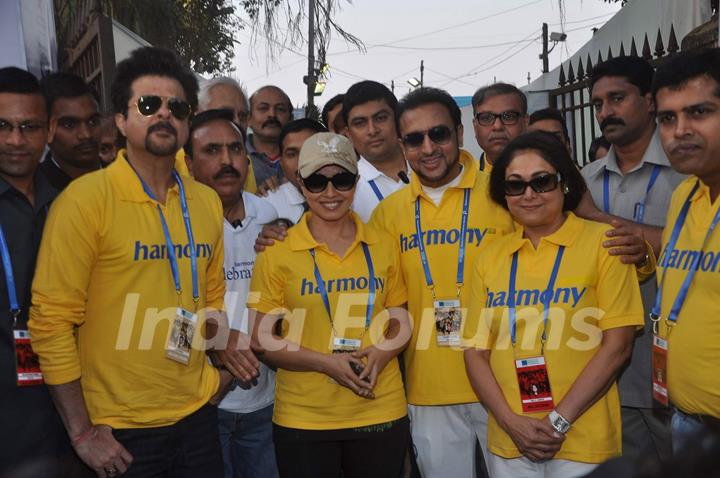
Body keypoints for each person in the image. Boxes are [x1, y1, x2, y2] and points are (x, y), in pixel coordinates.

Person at [29, 46, 259, 478]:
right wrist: (81, 433)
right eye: (149, 105)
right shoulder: (84, 202)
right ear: (120, 119)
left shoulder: (205, 202)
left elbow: (209, 300)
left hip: (197, 419)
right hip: (119, 432)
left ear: (189, 122)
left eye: (177, 107)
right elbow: (51, 322)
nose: (165, 115)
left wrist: (222, 344)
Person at [464, 131, 643, 477]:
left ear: (564, 184)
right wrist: (509, 422)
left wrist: (557, 422)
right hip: (511, 439)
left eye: (541, 181)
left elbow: (618, 347)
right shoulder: (488, 257)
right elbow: (474, 351)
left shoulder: (605, 245)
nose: (529, 194)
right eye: (515, 185)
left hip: (583, 439)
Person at [369, 87, 515, 478]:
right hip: (429, 391)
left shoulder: (506, 193)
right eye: (415, 139)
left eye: (439, 134)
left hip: (505, 383)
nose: (428, 147)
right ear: (402, 146)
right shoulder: (387, 214)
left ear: (460, 133)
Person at [249, 132, 411, 477]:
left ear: (355, 181)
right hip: (304, 417)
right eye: (317, 182)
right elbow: (261, 338)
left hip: (380, 408)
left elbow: (401, 318)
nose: (330, 192)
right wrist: (326, 364)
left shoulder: (382, 243)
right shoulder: (276, 251)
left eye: (341, 180)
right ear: (301, 185)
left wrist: (382, 353)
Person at [580, 55, 686, 463]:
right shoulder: (583, 181)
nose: (606, 111)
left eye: (617, 98)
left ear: (650, 100)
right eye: (598, 104)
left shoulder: (687, 171)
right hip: (608, 374)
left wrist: (602, 220)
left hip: (679, 373)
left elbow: (698, 249)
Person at [0, 66, 88, 478]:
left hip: (73, 412)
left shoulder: (74, 204)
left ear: (49, 129)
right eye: (2, 126)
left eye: (28, 126)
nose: (16, 140)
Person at [184, 108, 279, 478]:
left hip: (263, 404)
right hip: (204, 406)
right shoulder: (177, 223)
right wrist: (220, 370)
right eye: (211, 151)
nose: (226, 161)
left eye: (235, 149)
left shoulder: (267, 213)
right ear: (189, 162)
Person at [651, 47, 720, 451]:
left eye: (699, 112)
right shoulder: (684, 195)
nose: (680, 131)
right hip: (688, 426)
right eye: (667, 118)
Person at [343, 81, 411, 222]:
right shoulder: (345, 187)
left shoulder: (429, 166)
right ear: (348, 135)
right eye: (360, 123)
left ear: (398, 121)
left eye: (380, 118)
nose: (372, 130)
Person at [39, 72, 102, 190]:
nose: (86, 134)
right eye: (69, 124)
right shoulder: (30, 193)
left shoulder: (129, 178)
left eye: (93, 121)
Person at [197, 77, 260, 194]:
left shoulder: (245, 162)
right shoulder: (172, 164)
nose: (236, 122)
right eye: (225, 114)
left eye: (243, 116)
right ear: (198, 113)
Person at [264, 118, 327, 224]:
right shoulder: (266, 205)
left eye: (309, 151)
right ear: (282, 163)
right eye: (292, 154)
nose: (301, 162)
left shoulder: (347, 198)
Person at [471, 83, 528, 172]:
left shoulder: (548, 172)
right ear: (475, 126)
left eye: (508, 117)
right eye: (486, 118)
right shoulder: (461, 181)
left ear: (526, 122)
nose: (497, 126)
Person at [246, 85, 293, 187]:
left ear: (291, 118)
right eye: (263, 108)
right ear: (248, 118)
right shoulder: (236, 156)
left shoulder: (304, 156)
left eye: (280, 109)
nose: (272, 114)